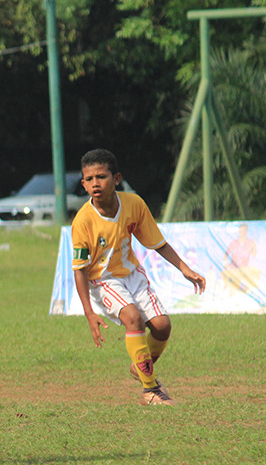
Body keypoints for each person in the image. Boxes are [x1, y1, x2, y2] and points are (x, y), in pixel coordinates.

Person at [71, 148, 206, 406]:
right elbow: (79, 269)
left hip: (132, 274)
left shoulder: (134, 204)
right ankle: (150, 390)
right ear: (83, 184)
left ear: (117, 178)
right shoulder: (83, 221)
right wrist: (89, 312)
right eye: (89, 179)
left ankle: (140, 367)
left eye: (101, 176)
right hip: (102, 280)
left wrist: (185, 269)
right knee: (133, 319)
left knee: (162, 326)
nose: (95, 183)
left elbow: (157, 242)